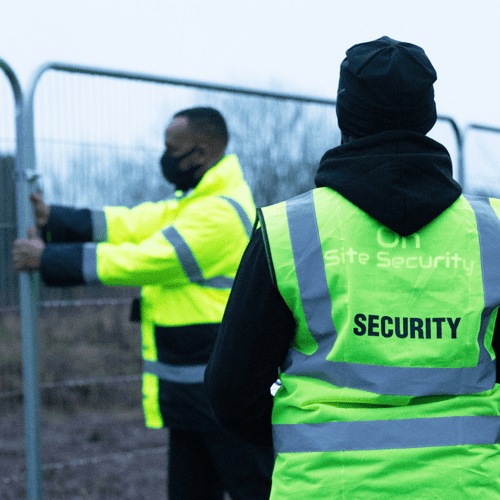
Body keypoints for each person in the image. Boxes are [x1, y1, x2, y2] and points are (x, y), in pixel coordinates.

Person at [204, 37, 500, 499]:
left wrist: (302, 437)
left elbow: (231, 393)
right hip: (463, 485)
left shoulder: (288, 230)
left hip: (326, 484)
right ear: (428, 115)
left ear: (346, 112)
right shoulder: (492, 231)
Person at [12, 107, 275, 500]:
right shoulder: (197, 201)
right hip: (193, 388)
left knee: (252, 489)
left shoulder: (218, 213)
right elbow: (136, 222)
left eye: (173, 149)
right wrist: (57, 219)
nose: (165, 157)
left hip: (218, 390)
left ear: (200, 153)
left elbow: (146, 259)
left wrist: (48, 258)